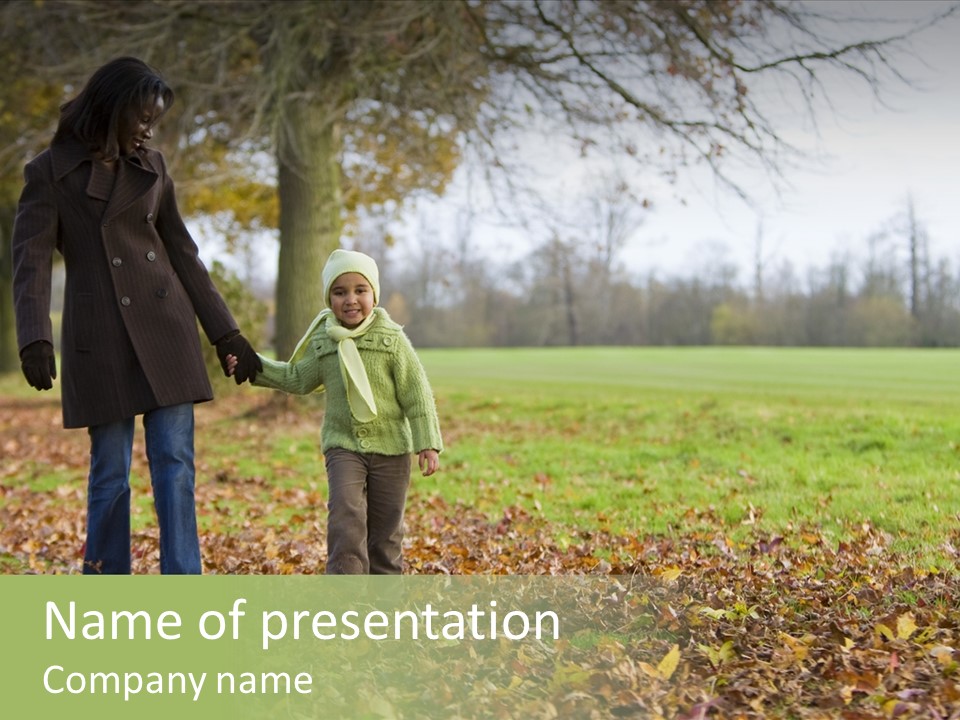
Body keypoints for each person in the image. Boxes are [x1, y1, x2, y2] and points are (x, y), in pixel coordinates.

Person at [11, 56, 261, 574]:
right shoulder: (49, 173)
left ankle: (182, 583)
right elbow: (29, 262)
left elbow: (183, 254)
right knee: (110, 472)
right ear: (112, 109)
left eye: (154, 121)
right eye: (142, 118)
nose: (148, 129)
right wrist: (34, 337)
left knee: (175, 467)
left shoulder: (153, 167)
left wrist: (227, 334)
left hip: (165, 334)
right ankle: (106, 583)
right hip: (98, 339)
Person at [228, 249, 442, 574]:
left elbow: (417, 393)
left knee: (385, 533)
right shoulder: (324, 341)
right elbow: (296, 378)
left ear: (374, 294)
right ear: (329, 298)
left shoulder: (392, 340)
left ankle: (383, 606)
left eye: (360, 290)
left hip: (392, 448)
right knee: (346, 519)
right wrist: (252, 364)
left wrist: (427, 441)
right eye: (340, 292)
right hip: (343, 446)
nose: (350, 299)